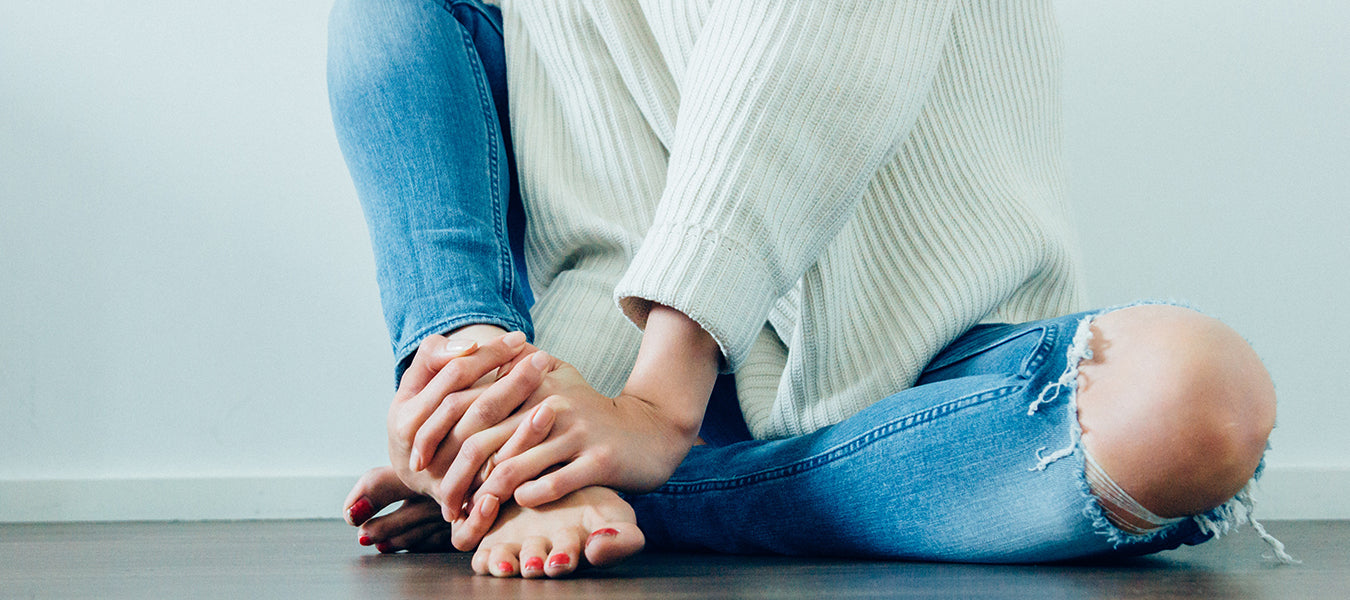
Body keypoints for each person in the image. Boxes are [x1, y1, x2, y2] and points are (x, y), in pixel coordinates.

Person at [327, 0, 1291, 578]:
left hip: (929, 372)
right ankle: (478, 421)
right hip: (617, 375)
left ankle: (604, 489)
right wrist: (516, 408)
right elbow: (601, 207)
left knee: (1198, 400)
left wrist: (656, 410)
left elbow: (804, 50)